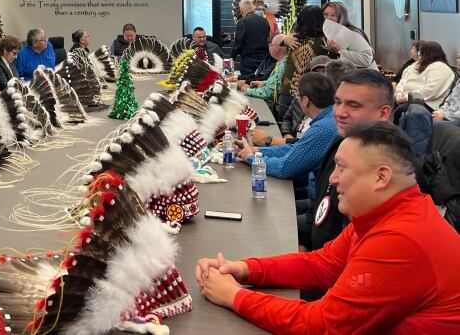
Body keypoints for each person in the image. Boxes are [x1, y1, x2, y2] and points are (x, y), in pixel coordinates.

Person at [197, 121, 460, 333]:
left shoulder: (401, 238)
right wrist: (245, 268)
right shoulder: (387, 213)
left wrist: (234, 297)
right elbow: (323, 264)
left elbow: (322, 325)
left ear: (381, 176)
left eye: (341, 168)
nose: (332, 180)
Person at [301, 69, 394, 253]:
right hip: (316, 256)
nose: (340, 112)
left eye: (353, 105)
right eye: (337, 102)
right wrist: (302, 244)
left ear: (383, 113)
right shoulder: (340, 143)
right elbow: (319, 202)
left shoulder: (390, 168)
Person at [235, 73, 337, 196]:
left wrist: (251, 158)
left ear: (305, 101)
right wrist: (255, 150)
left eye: (297, 96)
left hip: (315, 204)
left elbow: (285, 168)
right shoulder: (329, 118)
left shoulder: (322, 128)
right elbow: (296, 148)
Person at [277, 5, 328, 119]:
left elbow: (279, 45)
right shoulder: (323, 42)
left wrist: (284, 40)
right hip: (307, 93)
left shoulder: (294, 38)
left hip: (287, 89)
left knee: (283, 125)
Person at [394, 40, 455, 110]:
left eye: (421, 53)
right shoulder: (415, 65)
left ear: (430, 54)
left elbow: (430, 91)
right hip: (406, 100)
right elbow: (403, 81)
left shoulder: (441, 67)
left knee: (401, 109)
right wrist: (399, 93)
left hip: (426, 104)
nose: (419, 55)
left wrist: (406, 97)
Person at [321, 1, 378, 70]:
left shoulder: (352, 33)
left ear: (341, 17)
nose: (328, 18)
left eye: (333, 15)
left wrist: (339, 51)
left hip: (366, 77)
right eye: (326, 14)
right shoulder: (327, 33)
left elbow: (367, 57)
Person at [232, 0, 270, 77]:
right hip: (264, 59)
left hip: (248, 62)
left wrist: (232, 57)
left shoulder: (242, 21)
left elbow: (238, 43)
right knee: (260, 82)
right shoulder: (265, 21)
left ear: (242, 10)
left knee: (246, 83)